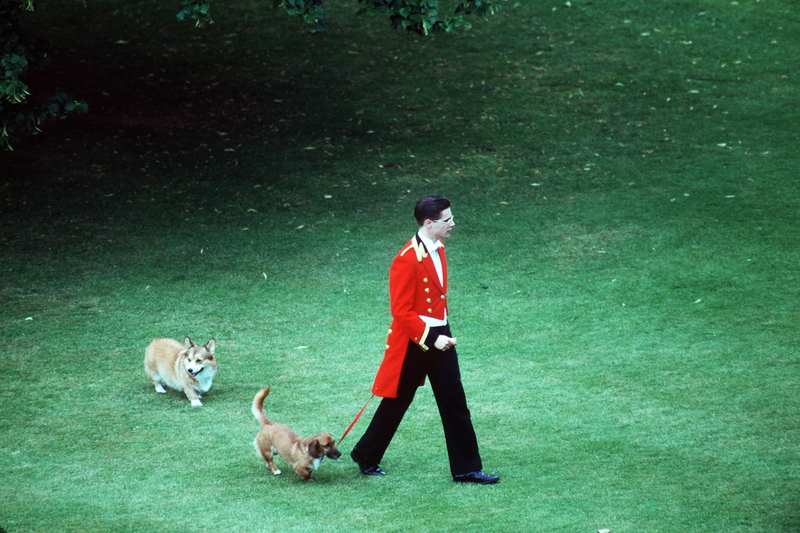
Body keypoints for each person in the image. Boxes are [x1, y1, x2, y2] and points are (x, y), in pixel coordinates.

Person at [350, 195, 499, 484]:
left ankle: (466, 468)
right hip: (416, 342)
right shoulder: (406, 260)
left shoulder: (438, 247)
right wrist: (433, 338)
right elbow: (401, 312)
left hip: (438, 333)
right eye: (447, 220)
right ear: (429, 223)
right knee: (397, 400)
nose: (453, 224)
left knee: (455, 401)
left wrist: (441, 332)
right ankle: (366, 453)